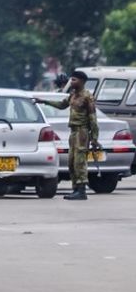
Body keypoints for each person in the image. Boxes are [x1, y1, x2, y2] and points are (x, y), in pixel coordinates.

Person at [33, 71, 99, 200]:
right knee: (72, 161)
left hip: (82, 131)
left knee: (80, 161)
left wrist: (94, 139)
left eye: (74, 80)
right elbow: (62, 105)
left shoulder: (87, 97)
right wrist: (44, 102)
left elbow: (93, 119)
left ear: (82, 81)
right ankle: (75, 189)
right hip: (73, 132)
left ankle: (81, 190)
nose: (71, 82)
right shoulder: (72, 95)